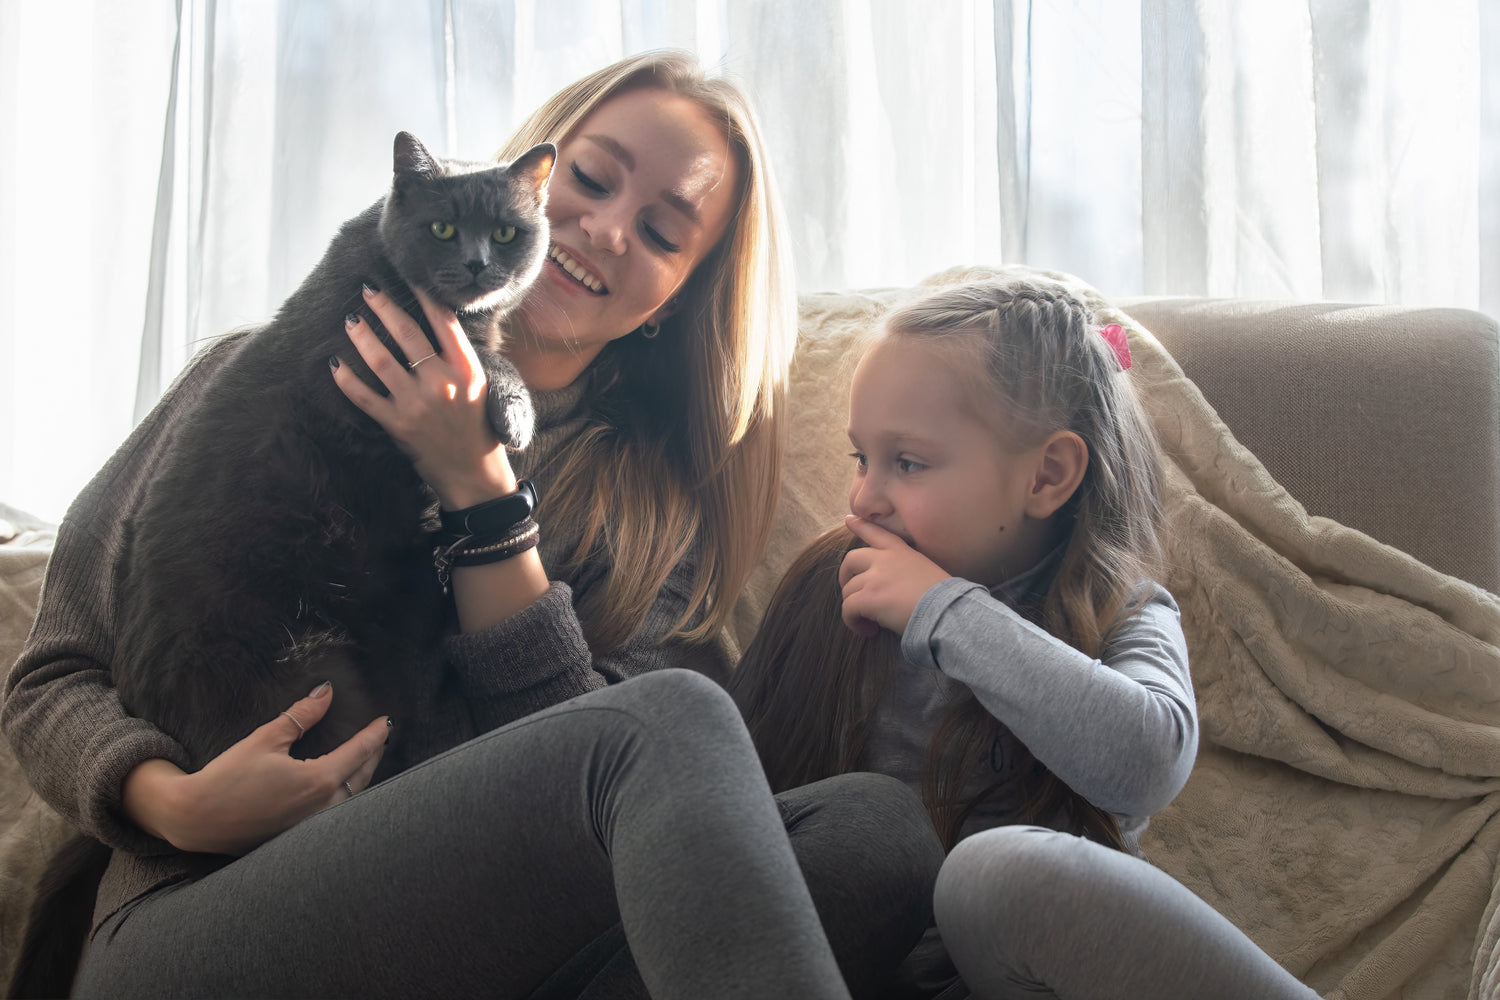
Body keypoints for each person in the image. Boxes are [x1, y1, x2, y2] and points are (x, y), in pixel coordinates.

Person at [2, 51, 943, 999]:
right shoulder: (266, 371)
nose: (606, 229)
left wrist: (477, 483)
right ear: (530, 176)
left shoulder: (654, 523)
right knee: (676, 720)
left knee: (873, 833)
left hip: (470, 937)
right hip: (200, 911)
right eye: (591, 178)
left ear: (678, 296)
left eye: (661, 231)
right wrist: (173, 804)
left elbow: (591, 796)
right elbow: (52, 673)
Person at [731, 277, 1320, 999]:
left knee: (994, 879)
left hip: (1030, 973)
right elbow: (740, 799)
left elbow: (1148, 764)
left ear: (1047, 475)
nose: (863, 498)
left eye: (907, 463)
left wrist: (945, 612)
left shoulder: (1123, 613)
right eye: (862, 459)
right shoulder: (833, 590)